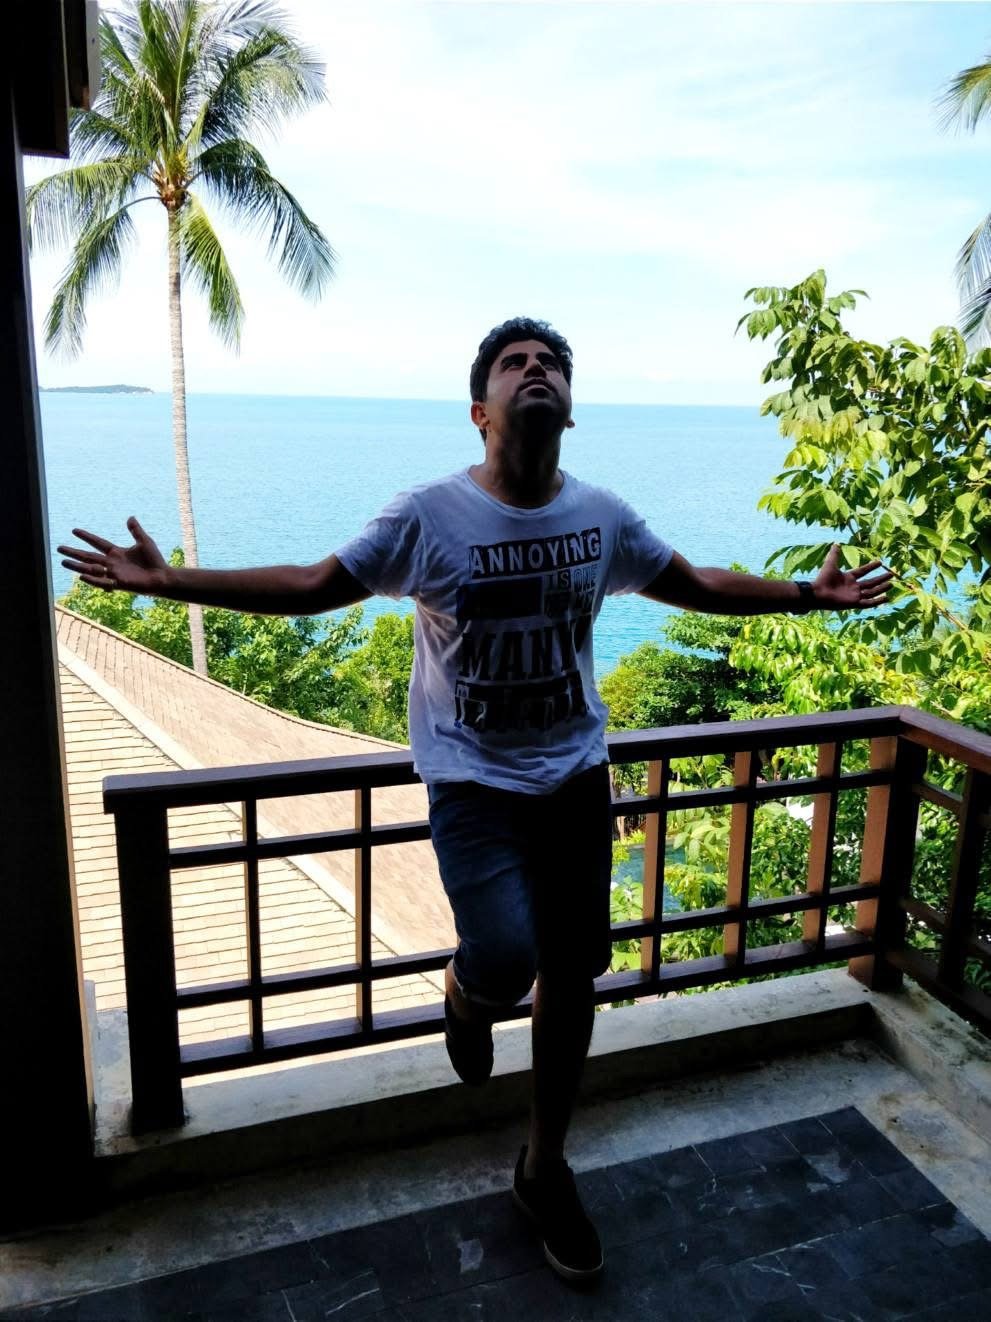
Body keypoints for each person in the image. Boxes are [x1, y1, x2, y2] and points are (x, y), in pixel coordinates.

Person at [59, 317, 892, 1284]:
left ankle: (545, 1167)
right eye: (514, 363)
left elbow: (694, 582)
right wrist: (171, 583)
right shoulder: (429, 515)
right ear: (479, 411)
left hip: (575, 776)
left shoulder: (602, 518)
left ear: (569, 410)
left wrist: (803, 595)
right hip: (472, 781)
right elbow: (316, 582)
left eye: (552, 365)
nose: (536, 371)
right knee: (502, 951)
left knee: (574, 973)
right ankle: (466, 991)